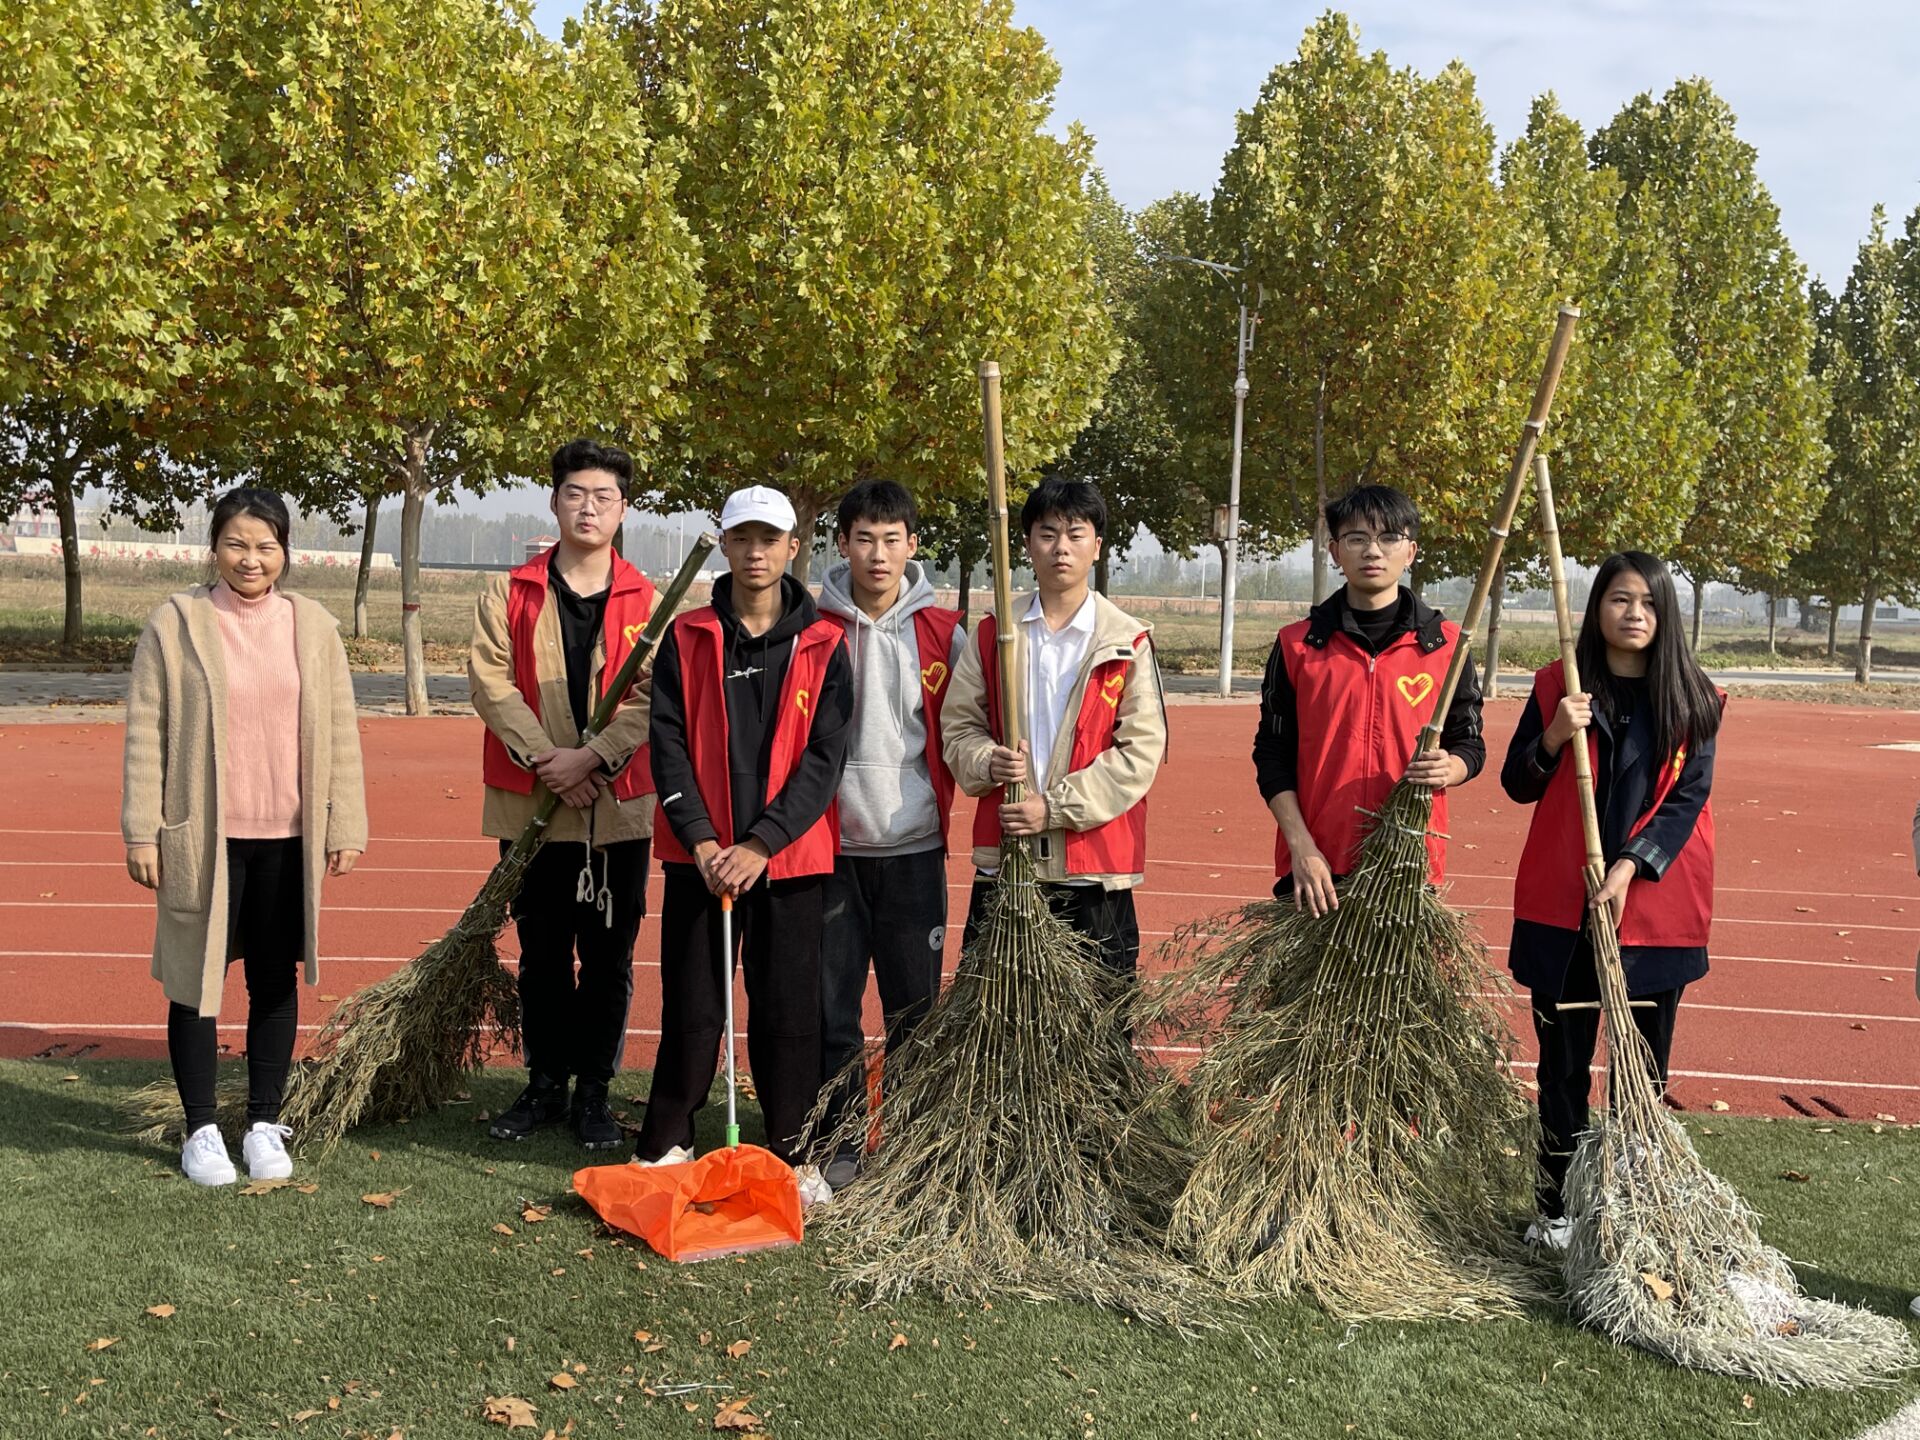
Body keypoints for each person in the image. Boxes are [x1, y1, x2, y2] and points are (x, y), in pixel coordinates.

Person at [122, 487, 367, 1186]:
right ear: (214, 548)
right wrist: (141, 831)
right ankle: (200, 1129)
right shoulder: (176, 623)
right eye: (236, 544)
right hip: (203, 837)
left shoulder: (313, 627)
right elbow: (146, 731)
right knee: (194, 981)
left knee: (274, 979)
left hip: (288, 835)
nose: (250, 559)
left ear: (285, 551)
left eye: (265, 546)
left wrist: (346, 820)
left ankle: (263, 1123)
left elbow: (341, 731)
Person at [635, 484, 853, 1204]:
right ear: (724, 545)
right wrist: (701, 839)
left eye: (769, 539)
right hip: (699, 859)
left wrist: (761, 843)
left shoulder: (826, 643)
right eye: (742, 538)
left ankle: (794, 1151)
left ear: (793, 547)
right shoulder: (688, 636)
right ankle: (668, 1138)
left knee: (789, 1013)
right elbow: (667, 745)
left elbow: (824, 760)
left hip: (787, 862)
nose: (755, 552)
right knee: (693, 1004)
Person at [1502, 551, 1724, 1250]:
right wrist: (1553, 735)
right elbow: (1517, 782)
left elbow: (1688, 799)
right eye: (1620, 599)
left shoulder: (1695, 698)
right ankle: (1559, 1211)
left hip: (1654, 908)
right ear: (1597, 607)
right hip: (1563, 907)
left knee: (1641, 1073)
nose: (1634, 614)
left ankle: (1633, 1211)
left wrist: (1630, 867)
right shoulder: (1558, 685)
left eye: (1649, 603)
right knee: (1562, 1068)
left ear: (1667, 614)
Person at [470, 438, 657, 1150]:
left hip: (617, 809)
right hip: (534, 805)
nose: (588, 507)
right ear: (554, 501)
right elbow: (491, 682)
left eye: (603, 496)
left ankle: (595, 1093)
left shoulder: (649, 601)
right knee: (542, 955)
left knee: (609, 958)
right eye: (575, 493)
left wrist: (594, 758)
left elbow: (653, 696)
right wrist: (549, 760)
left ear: (623, 509)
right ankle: (545, 1083)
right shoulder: (510, 593)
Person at [943, 476, 1166, 982]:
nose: (1061, 547)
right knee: (996, 1015)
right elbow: (958, 726)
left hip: (1094, 871)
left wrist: (1053, 809)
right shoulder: (995, 632)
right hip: (1007, 864)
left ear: (1097, 546)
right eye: (1047, 534)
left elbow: (1139, 752)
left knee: (1101, 1018)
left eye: (1075, 534)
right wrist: (987, 761)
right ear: (1027, 544)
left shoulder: (1126, 641)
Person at [814, 480, 965, 1189]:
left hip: (913, 848)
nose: (878, 554)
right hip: (831, 851)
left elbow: (969, 727)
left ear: (912, 545)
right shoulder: (813, 628)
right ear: (843, 543)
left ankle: (908, 1145)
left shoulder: (943, 633)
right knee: (832, 1009)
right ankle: (839, 1143)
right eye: (864, 539)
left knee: (915, 1012)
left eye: (892, 539)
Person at [1254, 484, 1485, 913]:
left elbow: (1470, 744)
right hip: (1317, 868)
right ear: (1335, 552)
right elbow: (1271, 753)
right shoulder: (1297, 645)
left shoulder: (1447, 646)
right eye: (1357, 538)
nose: (1373, 551)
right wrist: (1301, 847)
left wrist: (1450, 768)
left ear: (1410, 552)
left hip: (1407, 864)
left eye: (1389, 538)